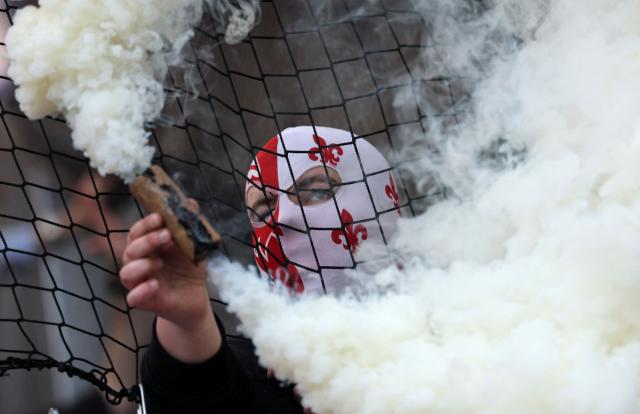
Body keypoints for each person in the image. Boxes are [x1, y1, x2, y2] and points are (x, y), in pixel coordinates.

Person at [119, 126, 401, 413]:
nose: (284, 218)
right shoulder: (258, 375)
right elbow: (194, 396)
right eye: (265, 210)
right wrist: (186, 321)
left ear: (379, 199)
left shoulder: (445, 324)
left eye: (316, 192)